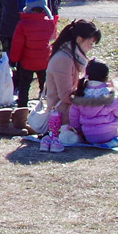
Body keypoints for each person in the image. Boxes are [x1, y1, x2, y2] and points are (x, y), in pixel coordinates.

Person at [39, 19, 100, 152]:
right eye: (90, 43)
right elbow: (66, 96)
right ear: (79, 39)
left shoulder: (71, 56)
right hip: (62, 116)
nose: (91, 47)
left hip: (68, 111)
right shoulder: (63, 59)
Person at [9, 0, 57, 108]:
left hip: (27, 62)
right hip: (44, 60)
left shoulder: (22, 24)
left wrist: (13, 59)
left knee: (24, 86)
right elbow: (52, 37)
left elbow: (17, 44)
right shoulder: (49, 22)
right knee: (45, 85)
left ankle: (22, 108)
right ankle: (48, 106)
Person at [66, 59, 118, 147]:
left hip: (89, 135)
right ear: (106, 77)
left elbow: (73, 116)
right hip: (109, 132)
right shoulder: (108, 93)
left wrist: (79, 130)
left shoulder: (81, 92)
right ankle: (117, 141)